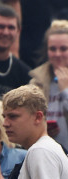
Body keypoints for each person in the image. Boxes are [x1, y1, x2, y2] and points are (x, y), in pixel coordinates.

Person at [28, 19, 68, 151]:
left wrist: (65, 91)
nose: (57, 54)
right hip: (46, 152)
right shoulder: (37, 81)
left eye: (63, 49)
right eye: (52, 49)